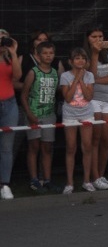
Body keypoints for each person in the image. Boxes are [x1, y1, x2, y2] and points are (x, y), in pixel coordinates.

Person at [20, 40, 58, 191]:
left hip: (49, 114)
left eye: (51, 53)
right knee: (34, 146)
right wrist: (29, 114)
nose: (48, 56)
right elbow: (23, 95)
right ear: (38, 55)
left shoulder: (55, 72)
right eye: (45, 53)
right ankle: (34, 180)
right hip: (34, 114)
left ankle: (47, 179)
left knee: (47, 147)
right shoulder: (33, 72)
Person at [60, 47, 97, 193]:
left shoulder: (90, 76)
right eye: (77, 58)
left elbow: (89, 96)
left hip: (86, 113)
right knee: (71, 147)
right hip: (70, 114)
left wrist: (81, 79)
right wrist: (76, 78)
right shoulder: (65, 76)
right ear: (70, 61)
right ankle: (69, 183)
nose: (80, 60)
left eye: (83, 58)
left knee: (87, 146)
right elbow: (68, 98)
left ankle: (86, 180)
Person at [86, 27, 108, 190]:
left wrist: (98, 79)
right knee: (95, 139)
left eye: (101, 36)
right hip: (93, 100)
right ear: (88, 39)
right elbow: (90, 77)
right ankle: (94, 176)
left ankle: (101, 174)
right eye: (94, 36)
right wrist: (94, 53)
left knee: (106, 139)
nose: (98, 39)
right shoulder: (85, 55)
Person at [0, 35, 20, 200]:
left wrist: (13, 52)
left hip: (9, 104)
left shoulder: (9, 58)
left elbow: (17, 76)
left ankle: (5, 184)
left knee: (7, 147)